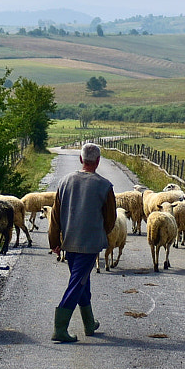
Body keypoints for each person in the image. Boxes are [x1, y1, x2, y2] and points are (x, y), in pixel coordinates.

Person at [48, 142, 117, 342]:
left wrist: (55, 240)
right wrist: (99, 235)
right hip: (89, 244)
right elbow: (111, 219)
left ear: (81, 159)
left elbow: (55, 216)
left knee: (81, 282)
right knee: (77, 283)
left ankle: (89, 323)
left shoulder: (64, 182)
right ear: (98, 161)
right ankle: (59, 329)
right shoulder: (105, 186)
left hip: (69, 241)